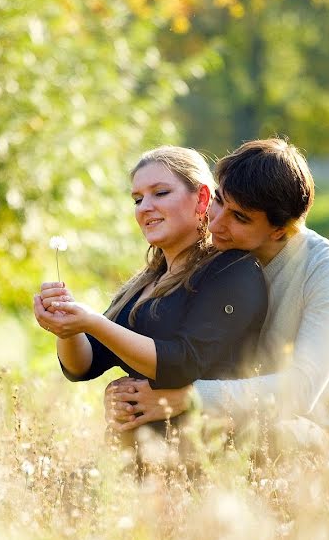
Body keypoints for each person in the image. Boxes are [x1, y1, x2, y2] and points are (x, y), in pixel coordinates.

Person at [105, 138, 329, 454]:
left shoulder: (325, 267)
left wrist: (186, 398)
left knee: (269, 439)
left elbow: (302, 389)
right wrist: (130, 395)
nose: (218, 222)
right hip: (233, 423)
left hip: (313, 431)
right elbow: (182, 352)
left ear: (280, 230)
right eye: (219, 201)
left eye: (240, 217)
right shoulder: (212, 259)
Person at [32, 146, 267, 434]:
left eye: (160, 193)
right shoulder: (145, 283)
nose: (144, 207)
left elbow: (182, 364)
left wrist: (92, 322)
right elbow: (84, 365)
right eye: (138, 199)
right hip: (139, 460)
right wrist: (67, 327)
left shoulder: (231, 271)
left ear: (202, 198)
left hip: (205, 451)